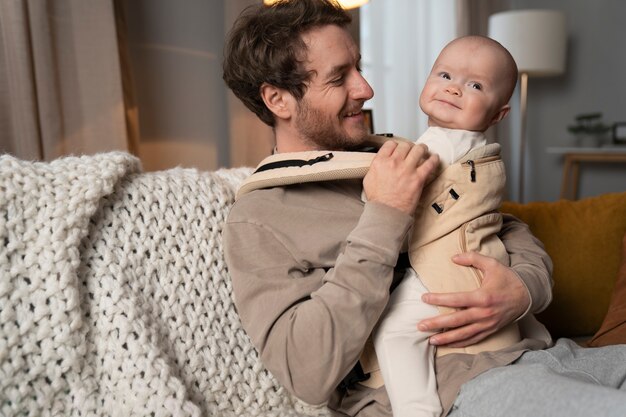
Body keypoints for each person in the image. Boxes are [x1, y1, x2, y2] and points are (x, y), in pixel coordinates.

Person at [222, 1, 626, 416]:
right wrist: (385, 215)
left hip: (546, 354)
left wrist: (524, 288)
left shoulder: (395, 151)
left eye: (359, 68)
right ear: (278, 100)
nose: (366, 89)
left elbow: (498, 224)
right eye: (339, 77)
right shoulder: (261, 217)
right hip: (459, 385)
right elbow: (306, 371)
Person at [370, 35, 520, 417]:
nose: (454, 87)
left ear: (498, 114)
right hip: (471, 263)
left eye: (475, 85)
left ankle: (416, 410)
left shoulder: (441, 144)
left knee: (396, 331)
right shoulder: (467, 145)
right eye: (445, 74)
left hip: (443, 272)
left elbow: (400, 198)